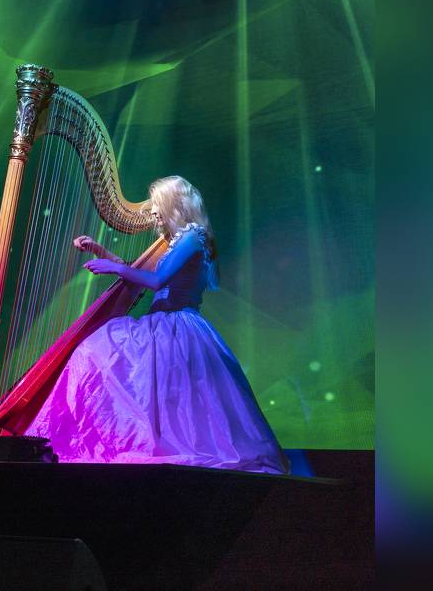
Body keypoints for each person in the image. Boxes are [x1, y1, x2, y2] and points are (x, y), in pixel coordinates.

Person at [24, 176, 288, 474]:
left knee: (117, 364)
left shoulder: (194, 237)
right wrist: (101, 252)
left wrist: (114, 268)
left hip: (178, 328)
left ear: (173, 204)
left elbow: (156, 281)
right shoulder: (175, 241)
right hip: (159, 325)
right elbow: (138, 274)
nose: (151, 212)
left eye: (156, 204)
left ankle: (150, 448)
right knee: (95, 356)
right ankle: (106, 440)